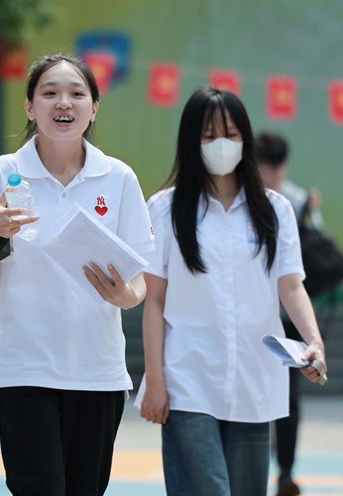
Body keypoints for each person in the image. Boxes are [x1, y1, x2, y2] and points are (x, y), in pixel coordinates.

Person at [0, 54, 155, 495]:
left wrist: (124, 296)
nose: (63, 103)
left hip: (97, 370)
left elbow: (139, 280)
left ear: (94, 108)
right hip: (24, 367)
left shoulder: (118, 178)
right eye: (49, 93)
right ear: (30, 107)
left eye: (76, 94)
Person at [137, 88, 327, 496]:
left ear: (246, 139)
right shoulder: (165, 209)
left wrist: (313, 342)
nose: (221, 144)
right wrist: (154, 379)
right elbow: (154, 300)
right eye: (208, 135)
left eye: (231, 133)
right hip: (188, 379)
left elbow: (291, 285)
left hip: (253, 382)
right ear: (190, 141)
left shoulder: (274, 210)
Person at [255, 131, 321, 496]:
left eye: (277, 169)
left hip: (287, 319)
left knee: (289, 397)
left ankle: (285, 470)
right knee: (252, 390)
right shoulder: (245, 196)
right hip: (252, 316)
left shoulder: (296, 202)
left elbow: (312, 254)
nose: (272, 176)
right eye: (266, 168)